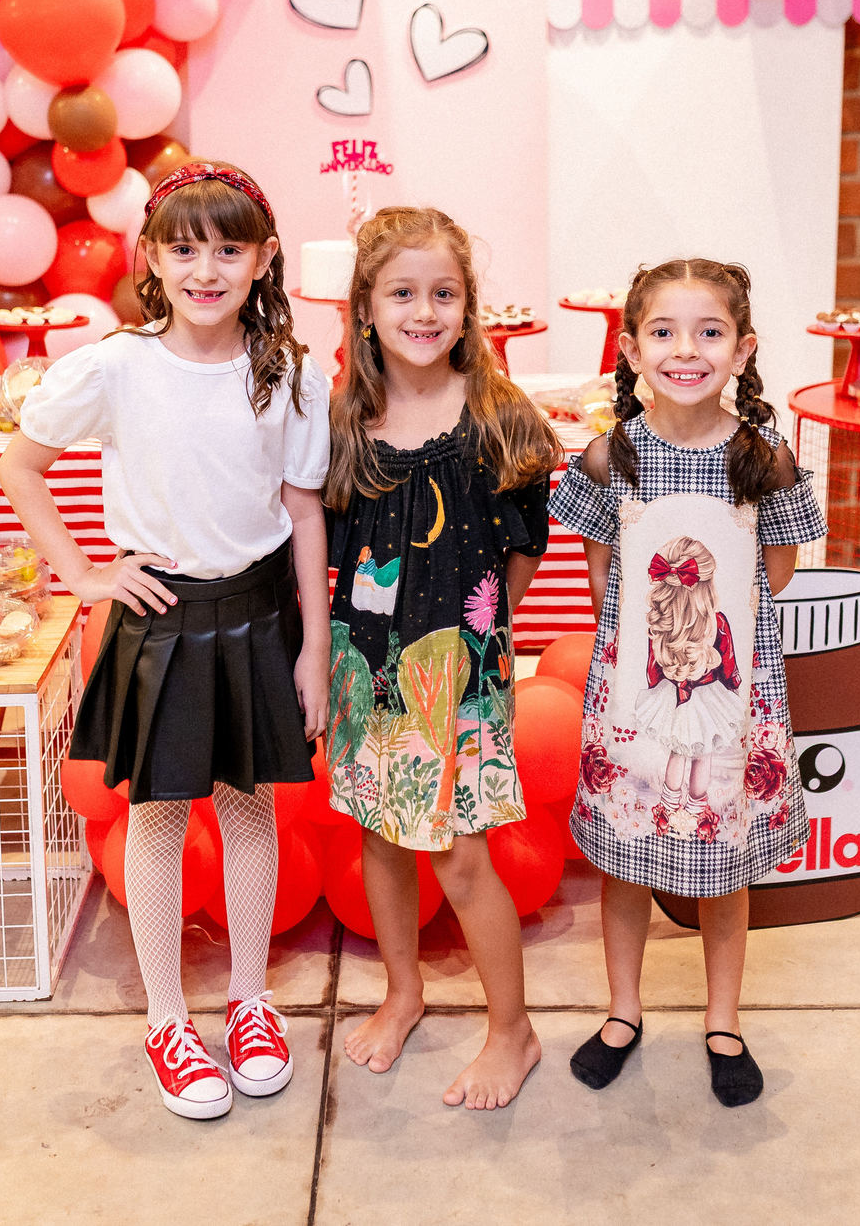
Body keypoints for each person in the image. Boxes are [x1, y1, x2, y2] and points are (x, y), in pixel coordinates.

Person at [0, 162, 331, 1121]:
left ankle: (252, 1002)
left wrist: (312, 646)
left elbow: (304, 509)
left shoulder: (287, 372)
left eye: (229, 249)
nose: (206, 270)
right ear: (150, 257)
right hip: (162, 617)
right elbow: (23, 464)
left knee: (250, 806)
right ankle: (168, 1020)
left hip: (261, 609)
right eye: (184, 249)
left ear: (264, 259)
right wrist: (85, 572)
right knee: (159, 814)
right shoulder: (117, 366)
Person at [549, 258, 826, 1108]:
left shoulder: (763, 459)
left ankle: (723, 1020)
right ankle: (623, 1011)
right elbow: (602, 578)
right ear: (633, 349)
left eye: (709, 333)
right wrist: (653, 647)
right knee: (626, 857)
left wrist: (706, 636)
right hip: (632, 694)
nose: (685, 351)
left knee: (723, 863)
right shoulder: (612, 456)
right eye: (663, 332)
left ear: (742, 349)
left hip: (732, 701)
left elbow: (775, 573)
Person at [325, 206, 563, 1110]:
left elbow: (525, 547)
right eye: (402, 293)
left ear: (468, 307)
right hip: (366, 668)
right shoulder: (348, 421)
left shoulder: (497, 417)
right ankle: (404, 992)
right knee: (380, 834)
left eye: (444, 294)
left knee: (462, 858)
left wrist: (479, 641)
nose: (423, 312)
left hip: (459, 678)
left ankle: (513, 1031)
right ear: (366, 306)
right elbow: (333, 545)